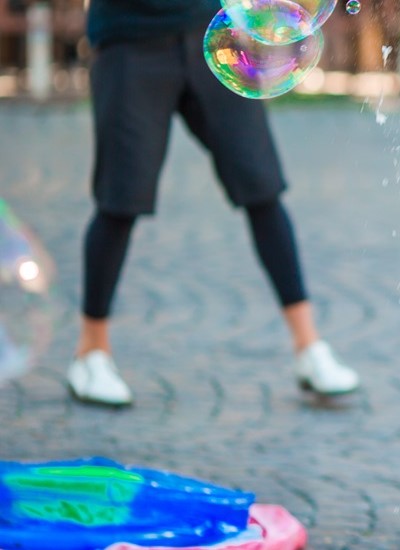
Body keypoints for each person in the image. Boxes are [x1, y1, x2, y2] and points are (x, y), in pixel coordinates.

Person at [67, 0, 359, 406]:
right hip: (129, 41)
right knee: (120, 199)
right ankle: (91, 353)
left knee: (262, 186)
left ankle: (309, 348)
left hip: (213, 30)